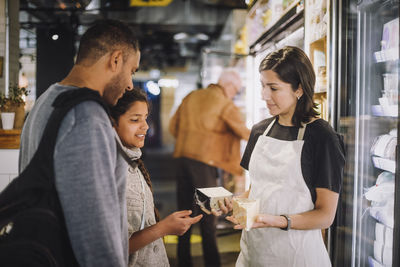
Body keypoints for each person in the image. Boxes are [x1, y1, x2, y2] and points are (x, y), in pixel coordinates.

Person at [19, 19, 140, 267]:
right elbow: (93, 226)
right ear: (115, 60)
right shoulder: (85, 116)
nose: (130, 84)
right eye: (132, 70)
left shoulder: (46, 102)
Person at [217, 46, 345, 267]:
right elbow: (259, 188)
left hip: (297, 255)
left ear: (299, 89)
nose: (264, 95)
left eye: (274, 88)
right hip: (254, 252)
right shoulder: (259, 131)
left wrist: (277, 221)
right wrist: (235, 202)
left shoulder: (322, 137)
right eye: (263, 85)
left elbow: (325, 215)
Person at [109, 89, 202, 266]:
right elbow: (112, 247)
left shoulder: (133, 163)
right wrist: (164, 228)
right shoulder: (110, 171)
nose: (145, 126)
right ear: (112, 124)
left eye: (145, 118)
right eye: (135, 120)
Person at [169, 69, 250, 267]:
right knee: (209, 220)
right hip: (206, 164)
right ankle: (212, 263)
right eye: (236, 91)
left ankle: (184, 262)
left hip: (182, 160)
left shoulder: (191, 96)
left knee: (185, 214)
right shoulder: (224, 103)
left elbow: (173, 127)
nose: (234, 94)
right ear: (229, 86)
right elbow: (244, 132)